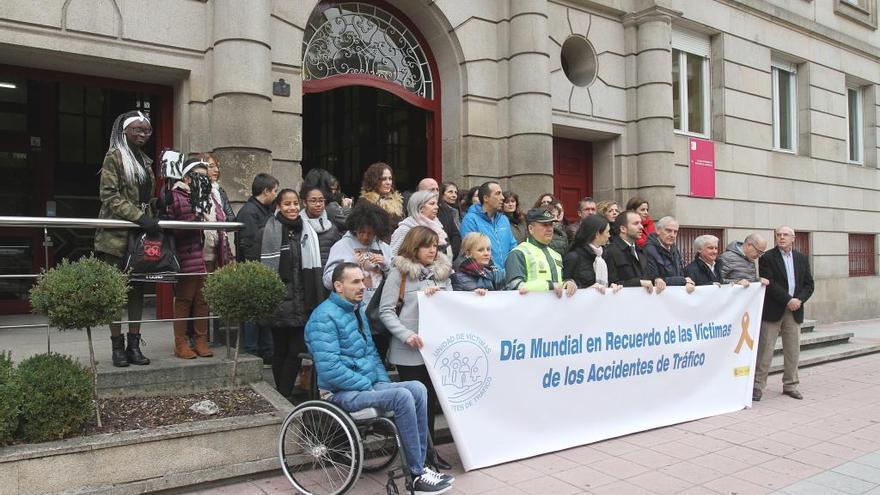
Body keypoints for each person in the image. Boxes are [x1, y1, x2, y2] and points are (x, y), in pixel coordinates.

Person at [305, 263, 453, 494]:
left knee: (418, 388)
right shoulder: (322, 318)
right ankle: (415, 475)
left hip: (366, 386)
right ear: (338, 286)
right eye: (355, 282)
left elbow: (372, 354)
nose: (362, 286)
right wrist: (369, 386)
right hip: (339, 393)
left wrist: (381, 382)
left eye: (363, 281)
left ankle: (422, 464)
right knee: (402, 396)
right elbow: (330, 369)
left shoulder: (357, 311)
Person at [380, 226, 454, 472]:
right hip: (408, 353)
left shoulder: (442, 273)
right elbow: (386, 311)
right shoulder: (398, 274)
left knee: (430, 403)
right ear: (414, 247)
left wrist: (439, 296)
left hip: (435, 352)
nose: (433, 250)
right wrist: (406, 335)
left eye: (435, 245)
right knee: (414, 406)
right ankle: (416, 457)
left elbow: (452, 305)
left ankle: (429, 453)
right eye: (427, 245)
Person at [94, 110, 156, 367]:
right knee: (115, 294)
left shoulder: (146, 161)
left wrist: (156, 205)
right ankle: (117, 347)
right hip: (115, 236)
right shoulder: (115, 156)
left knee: (137, 292)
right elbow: (109, 195)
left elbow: (145, 198)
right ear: (125, 131)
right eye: (137, 130)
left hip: (138, 236)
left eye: (146, 130)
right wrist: (139, 217)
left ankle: (134, 345)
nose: (142, 134)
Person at [260, 188, 325, 399]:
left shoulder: (307, 231)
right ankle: (283, 394)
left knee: (296, 351)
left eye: (295, 203)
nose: (293, 208)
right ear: (278, 206)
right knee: (280, 351)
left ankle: (283, 393)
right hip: (279, 301)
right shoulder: (269, 230)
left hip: (303, 302)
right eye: (287, 204)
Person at [168, 158, 232, 359]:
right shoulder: (176, 195)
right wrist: (196, 210)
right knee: (185, 299)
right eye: (199, 176)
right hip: (189, 254)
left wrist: (227, 254)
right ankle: (180, 343)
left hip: (211, 253)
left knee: (203, 300)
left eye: (206, 176)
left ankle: (201, 340)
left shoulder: (211, 196)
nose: (203, 180)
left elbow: (221, 222)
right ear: (187, 177)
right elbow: (176, 225)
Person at [323, 202, 393, 359]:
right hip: (351, 314)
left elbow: (397, 281)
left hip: (378, 316)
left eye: (371, 233)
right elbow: (328, 280)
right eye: (361, 232)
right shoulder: (342, 246)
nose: (366, 237)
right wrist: (350, 267)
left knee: (378, 359)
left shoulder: (385, 248)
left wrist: (386, 265)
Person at [754, 226, 814, 402]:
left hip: (794, 310)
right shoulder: (767, 257)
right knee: (765, 350)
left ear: (793, 238)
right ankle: (757, 387)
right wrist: (788, 299)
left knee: (792, 350)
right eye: (778, 235)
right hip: (773, 309)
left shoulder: (801, 258)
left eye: (785, 235)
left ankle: (790, 385)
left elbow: (809, 284)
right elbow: (769, 283)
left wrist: (799, 300)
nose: (781, 237)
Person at [237, 173, 279, 363]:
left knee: (262, 313)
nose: (276, 195)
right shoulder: (249, 212)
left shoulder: (264, 210)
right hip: (254, 271)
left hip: (261, 270)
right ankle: (252, 352)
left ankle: (266, 351)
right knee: (253, 315)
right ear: (266, 191)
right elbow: (249, 244)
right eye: (275, 190)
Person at [504, 208, 577, 297]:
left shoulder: (556, 255)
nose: (550, 229)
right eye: (545, 225)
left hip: (555, 309)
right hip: (530, 309)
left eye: (551, 225)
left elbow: (557, 284)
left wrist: (567, 284)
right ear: (531, 229)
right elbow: (514, 286)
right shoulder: (518, 253)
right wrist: (549, 285)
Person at [460, 181, 518, 274]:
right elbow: (471, 253)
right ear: (486, 198)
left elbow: (513, 247)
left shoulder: (503, 219)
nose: (502, 198)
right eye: (498, 194)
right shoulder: (470, 220)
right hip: (485, 279)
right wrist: (495, 273)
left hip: (508, 277)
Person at [606, 211, 666, 294]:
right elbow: (610, 285)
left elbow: (649, 275)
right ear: (623, 229)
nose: (641, 227)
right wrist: (639, 283)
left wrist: (657, 279)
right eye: (636, 223)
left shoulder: (641, 250)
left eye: (641, 223)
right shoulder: (611, 252)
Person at [563, 215, 621, 293]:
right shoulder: (573, 257)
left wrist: (612, 286)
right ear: (597, 234)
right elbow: (564, 287)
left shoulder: (606, 255)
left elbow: (612, 280)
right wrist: (588, 291)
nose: (609, 235)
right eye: (607, 232)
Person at [391, 190, 451, 258]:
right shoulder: (406, 228)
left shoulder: (437, 226)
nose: (437, 207)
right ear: (420, 207)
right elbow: (392, 256)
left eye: (436, 204)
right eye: (432, 204)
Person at [644, 216, 695, 291]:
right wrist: (683, 280)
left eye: (675, 232)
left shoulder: (674, 249)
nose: (672, 235)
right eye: (668, 231)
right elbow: (654, 279)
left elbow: (681, 274)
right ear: (658, 231)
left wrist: (687, 282)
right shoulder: (649, 250)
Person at [358, 162, 404, 242]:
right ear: (374, 181)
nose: (388, 182)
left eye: (390, 179)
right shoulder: (366, 203)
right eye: (383, 179)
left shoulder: (397, 201)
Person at [418, 178, 461, 258]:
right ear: (421, 192)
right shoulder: (414, 214)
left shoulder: (445, 210)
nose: (435, 193)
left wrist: (450, 255)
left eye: (437, 190)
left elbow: (455, 234)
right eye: (432, 190)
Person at [301, 185, 343, 265]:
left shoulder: (332, 229)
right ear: (305, 203)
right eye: (313, 201)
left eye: (321, 201)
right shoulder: (298, 227)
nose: (318, 204)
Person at [201, 152, 235, 223]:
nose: (216, 170)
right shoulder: (196, 190)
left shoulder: (220, 191)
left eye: (216, 167)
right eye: (211, 166)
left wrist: (218, 218)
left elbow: (232, 218)